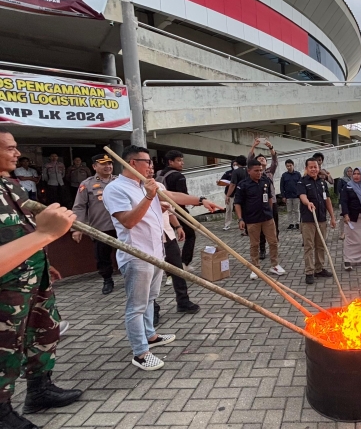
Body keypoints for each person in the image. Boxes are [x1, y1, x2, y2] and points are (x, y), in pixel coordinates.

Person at [102, 145, 219, 371]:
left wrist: (200, 200)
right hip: (136, 254)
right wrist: (149, 197)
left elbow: (173, 196)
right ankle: (140, 352)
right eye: (147, 162)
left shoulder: (150, 185)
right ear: (132, 163)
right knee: (136, 306)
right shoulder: (116, 189)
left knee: (149, 299)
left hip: (157, 252)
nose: (151, 166)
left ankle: (150, 336)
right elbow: (127, 221)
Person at [0, 128, 83, 428]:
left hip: (32, 278)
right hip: (5, 290)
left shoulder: (11, 185)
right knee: (5, 348)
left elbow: (23, 231)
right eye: (9, 148)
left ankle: (40, 389)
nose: (17, 153)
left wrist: (44, 264)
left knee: (44, 335)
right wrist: (46, 234)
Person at [150, 171, 201, 315]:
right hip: (150, 239)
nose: (150, 169)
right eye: (146, 165)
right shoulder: (133, 190)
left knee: (178, 269)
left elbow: (170, 210)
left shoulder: (159, 185)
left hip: (167, 235)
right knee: (152, 274)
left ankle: (183, 301)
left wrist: (178, 227)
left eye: (151, 165)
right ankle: (152, 309)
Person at [71, 154, 119, 295]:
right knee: (102, 257)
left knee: (127, 254)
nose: (108, 166)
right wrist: (77, 228)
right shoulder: (87, 184)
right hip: (101, 228)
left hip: (121, 226)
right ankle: (107, 280)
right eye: (103, 164)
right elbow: (79, 207)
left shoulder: (119, 181)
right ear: (94, 167)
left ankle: (130, 277)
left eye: (110, 163)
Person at [234, 159, 286, 280]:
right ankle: (255, 267)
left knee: (273, 242)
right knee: (254, 244)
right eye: (256, 171)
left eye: (261, 170)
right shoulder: (243, 185)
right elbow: (237, 203)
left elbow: (269, 198)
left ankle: (275, 265)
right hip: (252, 219)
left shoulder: (265, 181)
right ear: (249, 171)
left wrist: (270, 212)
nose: (259, 173)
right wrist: (240, 219)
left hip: (267, 218)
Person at [156, 150, 198, 273]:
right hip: (177, 211)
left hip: (162, 211)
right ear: (170, 162)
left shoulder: (159, 174)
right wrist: (193, 201)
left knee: (168, 240)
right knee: (190, 235)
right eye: (179, 160)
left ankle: (167, 270)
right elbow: (181, 195)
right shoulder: (179, 176)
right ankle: (184, 263)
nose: (182, 163)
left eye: (182, 160)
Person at [297, 157, 337, 284]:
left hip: (321, 219)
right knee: (309, 246)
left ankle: (319, 269)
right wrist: (308, 203)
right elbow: (302, 196)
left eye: (315, 167)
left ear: (318, 168)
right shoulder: (302, 182)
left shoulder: (322, 183)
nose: (314, 169)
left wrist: (332, 217)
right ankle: (309, 272)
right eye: (311, 167)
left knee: (321, 245)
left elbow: (327, 201)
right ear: (306, 168)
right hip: (309, 219)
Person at [247, 139, 279, 260]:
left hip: (272, 202)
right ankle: (262, 249)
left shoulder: (270, 172)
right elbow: (249, 160)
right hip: (259, 204)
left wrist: (271, 147)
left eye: (263, 159)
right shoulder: (254, 173)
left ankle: (274, 246)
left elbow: (275, 161)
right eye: (259, 159)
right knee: (260, 229)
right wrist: (253, 146)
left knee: (274, 225)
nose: (261, 160)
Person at [226, 155, 249, 236]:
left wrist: (228, 195)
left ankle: (245, 228)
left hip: (239, 193)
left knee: (240, 210)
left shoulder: (236, 172)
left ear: (237, 163)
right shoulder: (248, 170)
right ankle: (249, 228)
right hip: (249, 193)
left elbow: (232, 184)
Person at [280, 159, 302, 230]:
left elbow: (301, 185)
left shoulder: (298, 174)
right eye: (287, 166)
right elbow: (282, 186)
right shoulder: (284, 175)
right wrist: (283, 196)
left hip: (296, 196)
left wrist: (300, 194)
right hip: (288, 196)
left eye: (290, 165)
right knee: (289, 210)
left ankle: (298, 223)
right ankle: (291, 223)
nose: (289, 167)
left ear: (293, 165)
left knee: (297, 210)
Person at [217, 160, 238, 230]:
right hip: (229, 193)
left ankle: (241, 222)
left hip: (238, 193)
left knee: (240, 208)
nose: (235, 166)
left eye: (236, 164)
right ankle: (227, 224)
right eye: (234, 164)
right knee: (229, 209)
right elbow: (222, 181)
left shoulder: (241, 172)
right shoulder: (228, 173)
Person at [337, 166, 353, 240]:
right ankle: (342, 233)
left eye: (351, 171)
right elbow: (339, 190)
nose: (350, 173)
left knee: (351, 217)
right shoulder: (342, 180)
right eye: (348, 171)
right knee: (343, 217)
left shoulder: (354, 180)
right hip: (343, 201)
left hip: (352, 202)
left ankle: (349, 232)